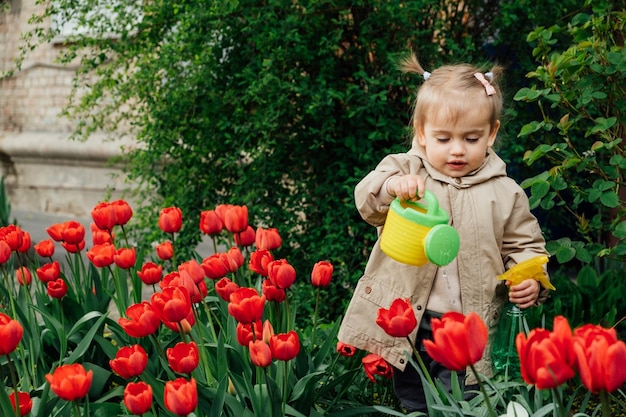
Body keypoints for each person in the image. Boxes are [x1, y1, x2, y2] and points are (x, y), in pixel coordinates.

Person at [337, 53, 551, 413]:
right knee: (415, 400)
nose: (457, 149)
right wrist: (392, 186)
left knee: (465, 402)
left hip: (472, 326)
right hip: (413, 322)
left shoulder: (505, 191)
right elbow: (367, 200)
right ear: (421, 133)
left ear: (492, 133)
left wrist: (533, 278)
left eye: (471, 138)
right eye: (443, 138)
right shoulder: (407, 170)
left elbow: (526, 246)